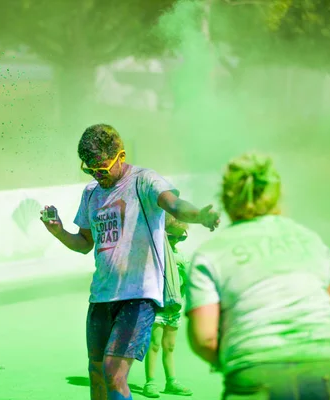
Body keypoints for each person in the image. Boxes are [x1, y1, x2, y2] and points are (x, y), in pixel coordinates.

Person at [40, 123, 220, 400]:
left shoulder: (144, 181)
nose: (98, 176)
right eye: (90, 170)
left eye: (102, 169)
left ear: (121, 156)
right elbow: (84, 244)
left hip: (138, 295)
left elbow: (174, 205)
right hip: (101, 296)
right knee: (97, 373)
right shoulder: (91, 193)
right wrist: (59, 231)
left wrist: (198, 216)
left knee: (114, 373)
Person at [185, 153, 330, 400]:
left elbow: (204, 338)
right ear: (278, 195)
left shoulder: (210, 252)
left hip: (256, 374)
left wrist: (237, 358)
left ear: (226, 198)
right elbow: (324, 302)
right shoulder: (309, 240)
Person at [143, 214, 193, 398]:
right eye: (174, 237)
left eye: (182, 236)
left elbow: (186, 283)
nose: (178, 240)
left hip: (174, 308)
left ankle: (171, 381)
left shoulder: (181, 256)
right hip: (158, 308)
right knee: (154, 345)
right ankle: (151, 382)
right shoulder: (157, 255)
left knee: (170, 346)